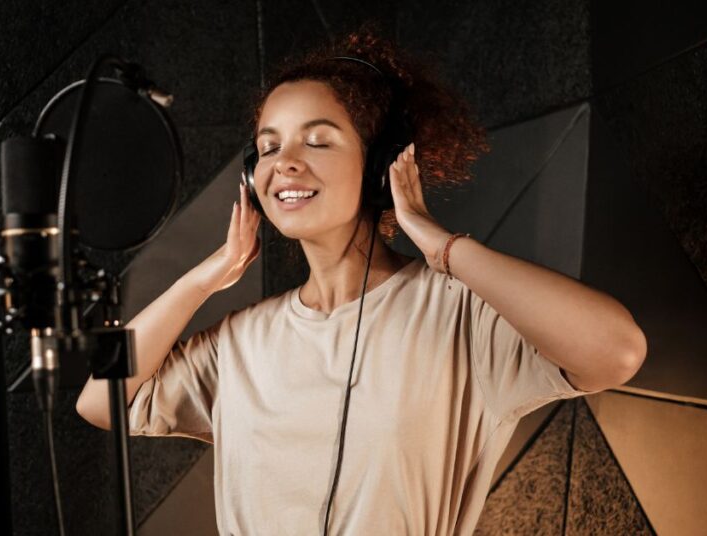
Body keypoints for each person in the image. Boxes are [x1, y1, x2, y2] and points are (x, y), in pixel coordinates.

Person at [76, 28, 646, 535]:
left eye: (317, 140)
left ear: (381, 166)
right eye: (269, 146)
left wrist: (440, 244)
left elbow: (616, 350)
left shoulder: (460, 317)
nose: (285, 162)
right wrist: (200, 281)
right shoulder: (238, 343)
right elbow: (99, 400)